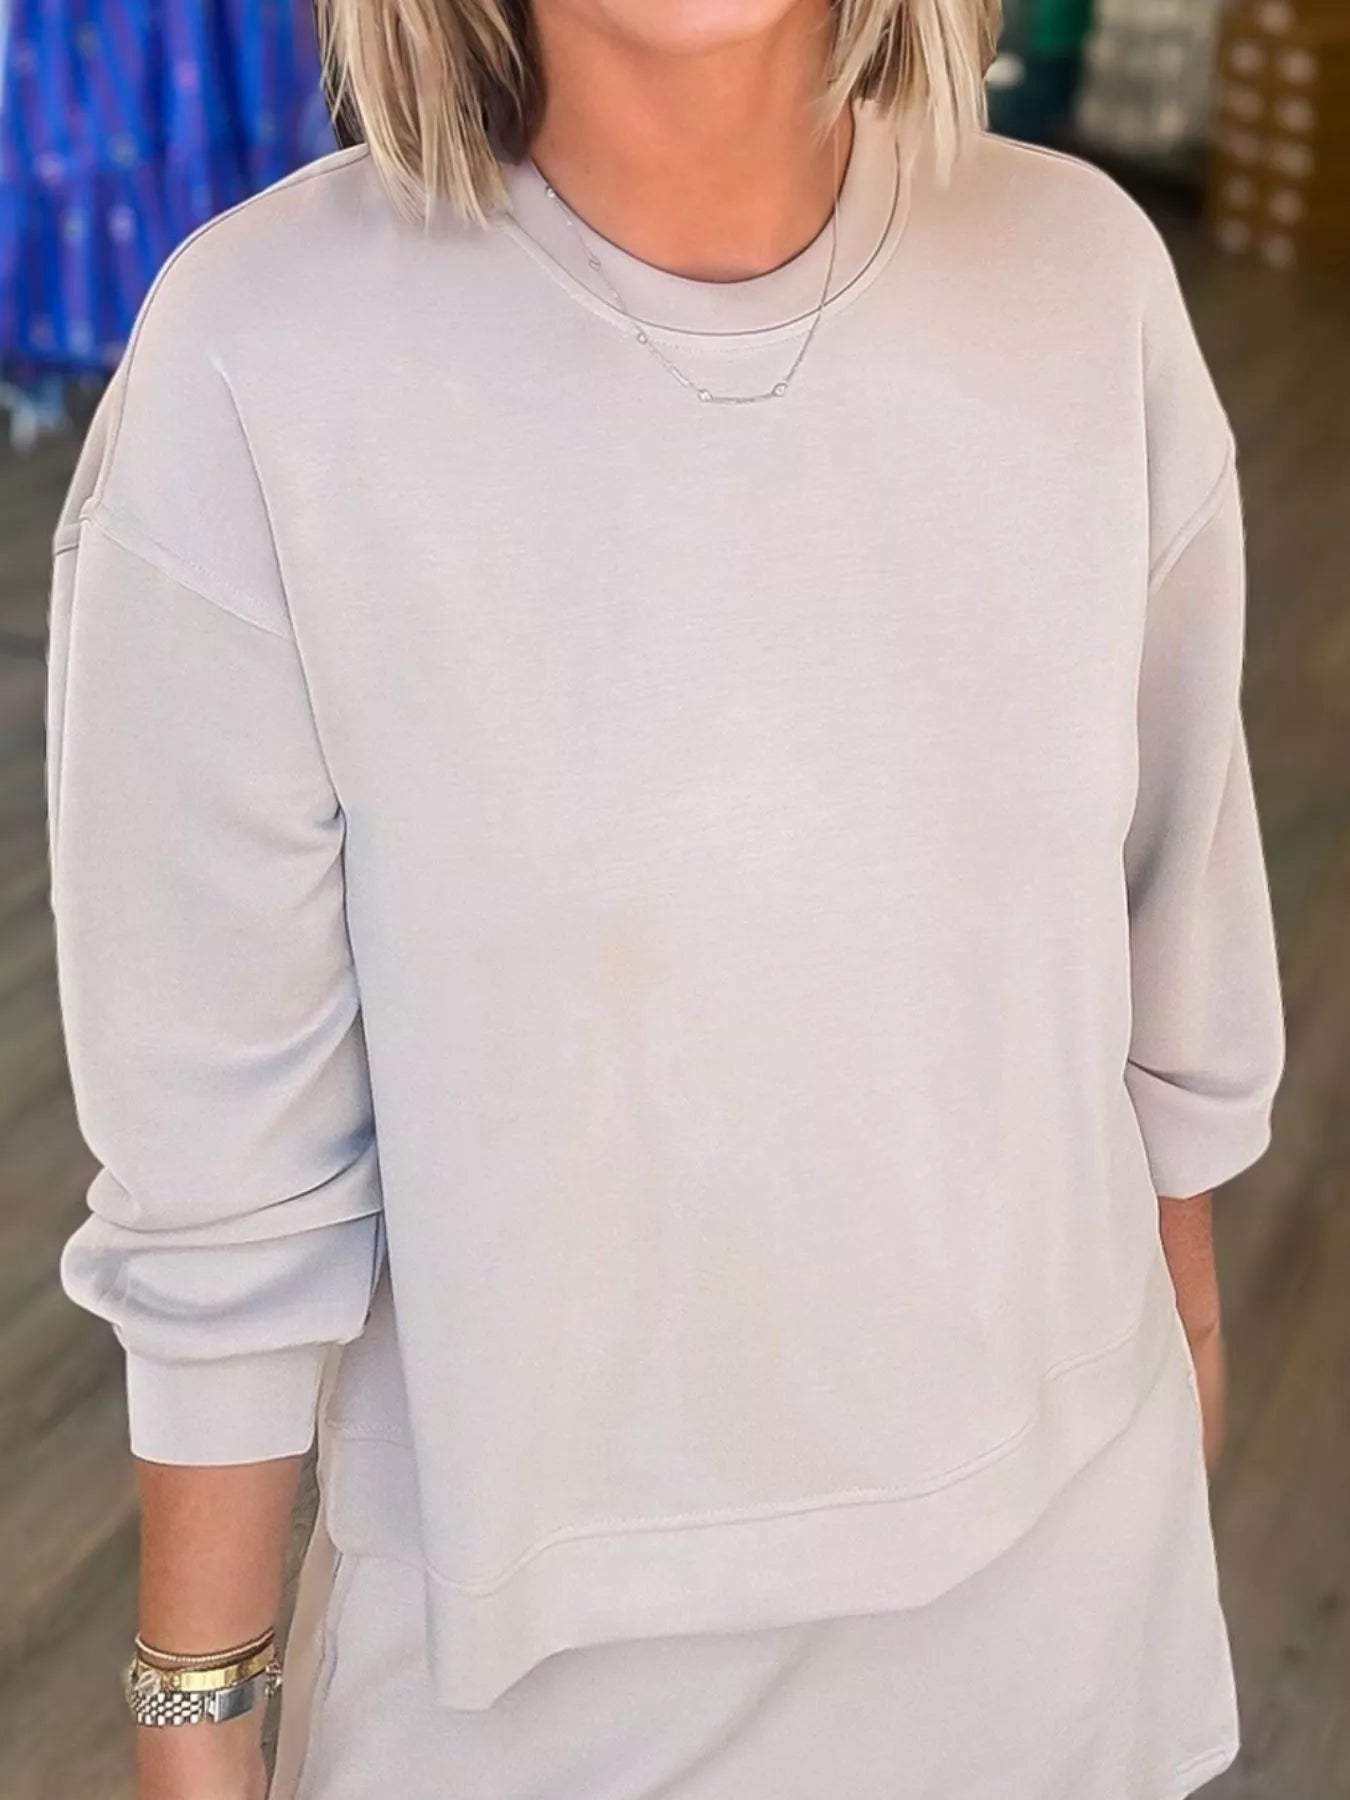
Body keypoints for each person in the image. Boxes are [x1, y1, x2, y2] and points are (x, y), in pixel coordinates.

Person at [45, 1, 1286, 1796]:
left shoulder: (1082, 279)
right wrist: (196, 1724)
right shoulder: (260, 358)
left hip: (1071, 1658)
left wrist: (1175, 1456)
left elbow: (1172, 1020)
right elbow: (219, 1200)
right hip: (537, 1720)